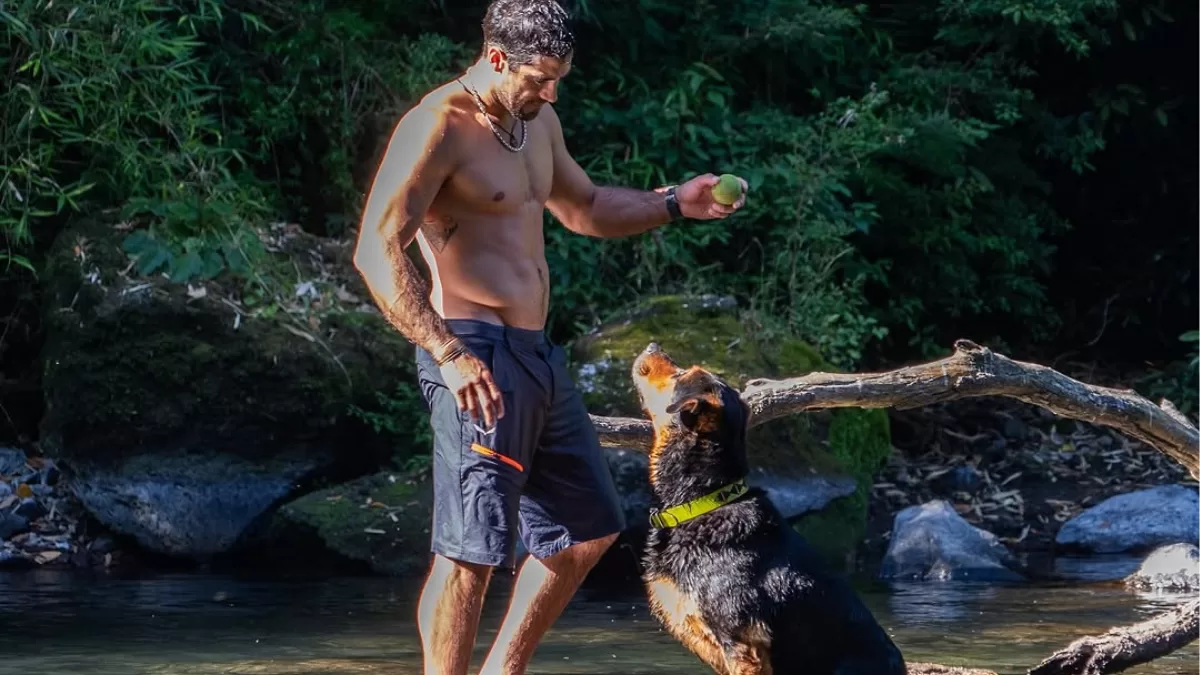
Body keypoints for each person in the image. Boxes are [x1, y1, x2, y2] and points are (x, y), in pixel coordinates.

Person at [351, 1, 748, 673]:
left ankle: (503, 669)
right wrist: (448, 354)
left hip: (535, 354)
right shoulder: (436, 127)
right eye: (541, 77)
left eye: (560, 77)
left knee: (586, 529)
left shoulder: (538, 121)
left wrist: (675, 202)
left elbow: (585, 208)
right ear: (498, 58)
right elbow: (374, 247)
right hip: (473, 351)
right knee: (470, 550)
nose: (552, 91)